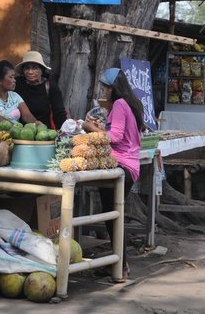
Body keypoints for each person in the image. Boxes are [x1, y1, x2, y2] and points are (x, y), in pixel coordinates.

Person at [83, 67, 145, 283]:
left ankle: (121, 266)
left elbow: (116, 137)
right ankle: (117, 264)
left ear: (112, 88)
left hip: (120, 165)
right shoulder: (132, 103)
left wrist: (89, 127)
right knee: (112, 214)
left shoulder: (119, 104)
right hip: (130, 165)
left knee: (112, 216)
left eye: (105, 87)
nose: (104, 91)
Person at [0, 51, 67, 128]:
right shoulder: (17, 84)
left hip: (33, 134)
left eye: (34, 68)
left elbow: (28, 116)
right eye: (27, 68)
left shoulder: (49, 87)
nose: (30, 72)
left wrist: (41, 127)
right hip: (16, 135)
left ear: (42, 70)